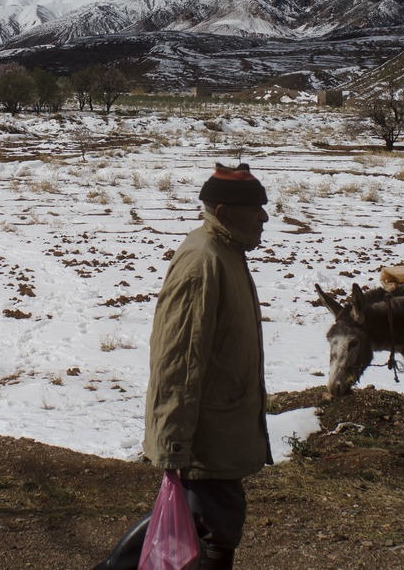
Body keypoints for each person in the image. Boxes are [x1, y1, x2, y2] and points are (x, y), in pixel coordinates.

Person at [94, 163, 272, 570]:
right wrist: (174, 442)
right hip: (205, 436)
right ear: (224, 213)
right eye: (255, 208)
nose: (265, 217)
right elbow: (178, 361)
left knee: (199, 524)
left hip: (221, 429)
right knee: (214, 530)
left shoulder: (227, 252)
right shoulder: (203, 261)